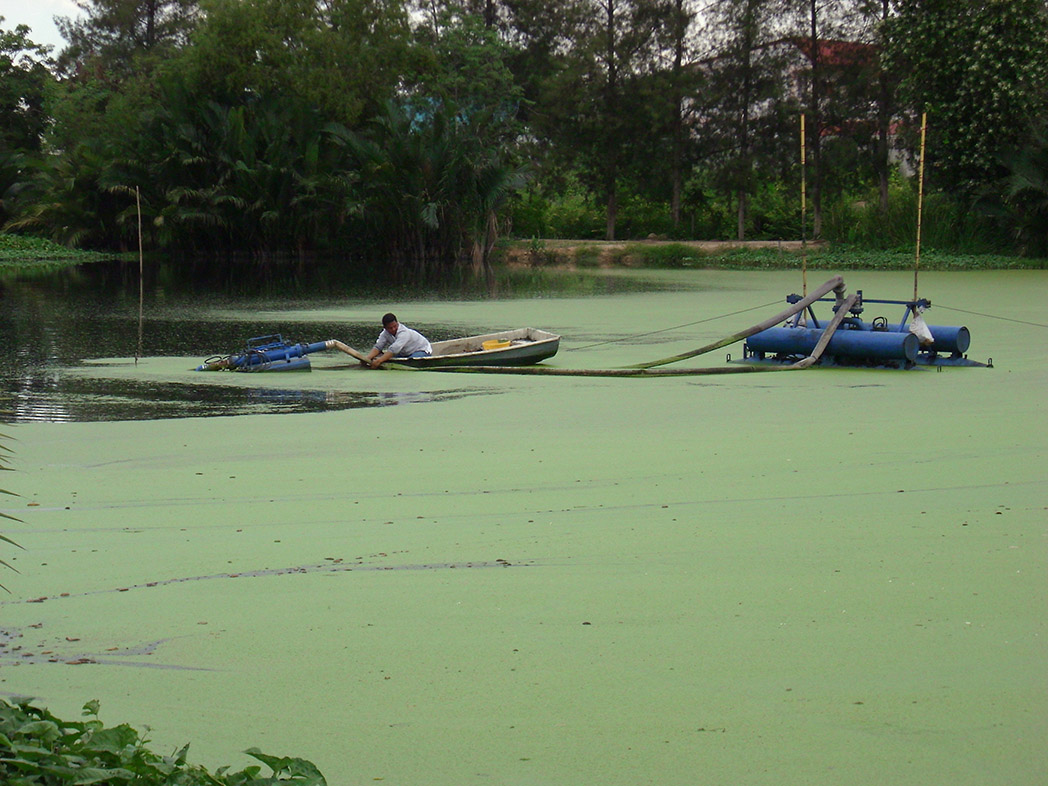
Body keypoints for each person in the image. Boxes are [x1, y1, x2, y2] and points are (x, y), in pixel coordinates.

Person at [363, 313, 432, 368]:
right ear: (385, 327)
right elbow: (378, 347)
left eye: (395, 326)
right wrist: (367, 358)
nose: (393, 329)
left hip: (421, 350)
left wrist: (379, 361)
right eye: (390, 328)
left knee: (411, 362)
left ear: (397, 323)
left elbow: (394, 349)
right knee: (385, 358)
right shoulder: (385, 333)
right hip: (404, 353)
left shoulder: (404, 332)